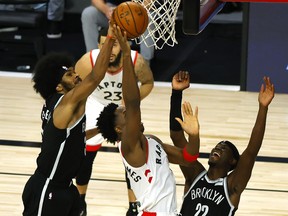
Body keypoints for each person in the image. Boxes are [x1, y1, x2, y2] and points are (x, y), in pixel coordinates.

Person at [96, 25, 200, 215]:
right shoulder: (128, 146)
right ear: (119, 129)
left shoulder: (152, 141)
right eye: (124, 113)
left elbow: (189, 159)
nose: (130, 112)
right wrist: (127, 56)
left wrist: (193, 136)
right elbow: (133, 102)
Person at [21, 23, 116, 216]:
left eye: (74, 71)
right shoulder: (66, 104)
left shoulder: (60, 106)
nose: (77, 76)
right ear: (58, 86)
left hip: (65, 188)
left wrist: (99, 129)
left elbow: (68, 138)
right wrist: (111, 38)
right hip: (48, 188)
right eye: (69, 74)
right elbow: (95, 77)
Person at [74, 27, 154, 216]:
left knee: (131, 154)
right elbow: (73, 87)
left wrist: (132, 101)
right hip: (96, 104)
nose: (108, 49)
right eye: (104, 44)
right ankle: (80, 201)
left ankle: (133, 205)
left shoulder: (136, 61)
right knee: (87, 157)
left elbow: (148, 83)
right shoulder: (88, 61)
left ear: (124, 45)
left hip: (122, 107)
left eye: (114, 44)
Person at [170, 76, 275, 215]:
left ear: (233, 161)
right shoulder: (195, 174)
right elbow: (176, 137)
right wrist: (176, 94)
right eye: (217, 146)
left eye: (224, 148)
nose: (218, 148)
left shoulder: (231, 186)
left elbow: (251, 151)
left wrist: (263, 108)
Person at [81, 0, 154, 63]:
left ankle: (144, 62)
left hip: (135, 8)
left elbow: (148, 1)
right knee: (88, 13)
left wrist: (132, 11)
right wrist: (107, 10)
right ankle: (93, 60)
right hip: (111, 8)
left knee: (148, 17)